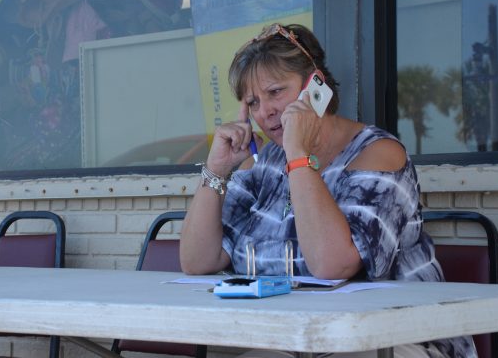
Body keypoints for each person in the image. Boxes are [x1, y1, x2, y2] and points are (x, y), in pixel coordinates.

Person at [180, 23, 477, 358]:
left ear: (315, 86)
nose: (265, 112)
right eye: (252, 102)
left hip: (391, 339)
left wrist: (297, 154)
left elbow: (331, 264)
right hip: (292, 337)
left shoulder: (378, 154)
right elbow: (197, 261)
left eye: (276, 92)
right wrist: (216, 171)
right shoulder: (259, 164)